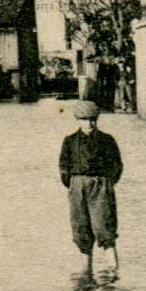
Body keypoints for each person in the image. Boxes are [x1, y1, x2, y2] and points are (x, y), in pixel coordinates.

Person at [59, 100, 123, 274]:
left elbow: (116, 165)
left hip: (101, 185)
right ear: (78, 120)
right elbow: (64, 167)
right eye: (85, 120)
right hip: (77, 186)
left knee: (104, 225)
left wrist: (106, 183)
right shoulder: (70, 141)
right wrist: (74, 184)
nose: (90, 123)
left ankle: (113, 269)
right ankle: (85, 270)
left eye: (93, 119)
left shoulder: (107, 140)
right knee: (80, 226)